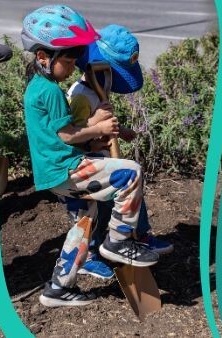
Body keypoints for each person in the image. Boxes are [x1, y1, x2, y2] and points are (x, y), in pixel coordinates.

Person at [19, 5, 158, 307]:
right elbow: (67, 135)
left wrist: (101, 133)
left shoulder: (37, 88)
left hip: (54, 171)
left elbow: (61, 132)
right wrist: (97, 125)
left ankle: (58, 288)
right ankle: (119, 242)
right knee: (130, 173)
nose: (71, 68)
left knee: (84, 221)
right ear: (43, 57)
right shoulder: (51, 92)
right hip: (65, 167)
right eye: (66, 61)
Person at [63, 24, 173, 280]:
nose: (110, 81)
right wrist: (96, 132)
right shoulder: (80, 97)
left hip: (102, 160)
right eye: (108, 74)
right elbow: (72, 137)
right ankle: (89, 256)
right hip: (82, 165)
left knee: (128, 192)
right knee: (86, 214)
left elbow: (103, 126)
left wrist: (119, 130)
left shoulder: (96, 92)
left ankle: (135, 238)